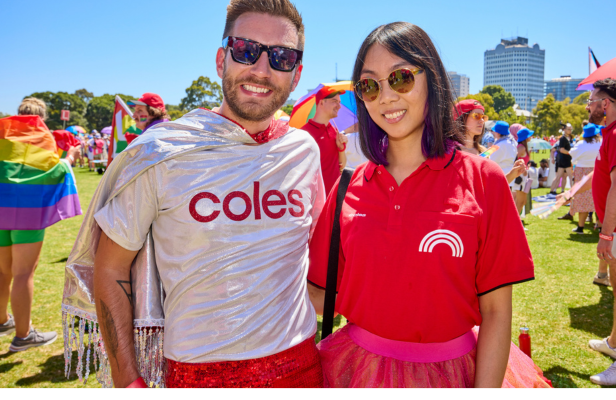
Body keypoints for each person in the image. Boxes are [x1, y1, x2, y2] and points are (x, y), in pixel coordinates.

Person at [62, 0, 325, 388]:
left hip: (302, 366)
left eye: (281, 57)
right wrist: (126, 380)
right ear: (222, 60)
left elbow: (313, 262)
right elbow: (111, 267)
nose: (261, 69)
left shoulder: (303, 150)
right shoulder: (162, 152)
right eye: (246, 51)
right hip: (197, 376)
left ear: (296, 73)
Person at [306, 22, 550, 388]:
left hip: (457, 373)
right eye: (369, 85)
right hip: (354, 372)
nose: (385, 96)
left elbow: (497, 312)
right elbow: (316, 295)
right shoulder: (347, 188)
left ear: (431, 79)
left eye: (400, 78)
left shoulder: (485, 180)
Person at [0, 98, 81, 351]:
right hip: (28, 213)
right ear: (42, 118)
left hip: (1, 207)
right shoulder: (40, 136)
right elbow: (54, 171)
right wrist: (69, 159)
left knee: (3, 271)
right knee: (24, 272)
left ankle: (2, 321)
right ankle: (24, 336)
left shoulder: (3, 133)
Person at [577, 79, 616, 385]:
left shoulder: (615, 134)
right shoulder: (609, 135)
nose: (588, 106)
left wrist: (606, 233)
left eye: (591, 100)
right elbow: (603, 174)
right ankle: (614, 343)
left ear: (606, 104)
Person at [301, 87, 349, 195]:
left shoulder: (334, 130)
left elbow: (341, 165)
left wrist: (341, 149)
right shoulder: (303, 134)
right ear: (322, 102)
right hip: (314, 200)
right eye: (334, 101)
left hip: (335, 196)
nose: (339, 106)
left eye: (339, 102)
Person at [569, 123, 601, 234]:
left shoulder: (581, 144)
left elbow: (572, 154)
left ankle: (581, 227)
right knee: (599, 199)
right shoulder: (600, 143)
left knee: (582, 198)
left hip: (582, 171)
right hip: (598, 171)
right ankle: (600, 226)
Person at [512, 128, 534, 215]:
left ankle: (516, 222)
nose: (531, 137)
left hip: (523, 175)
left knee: (522, 201)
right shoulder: (521, 147)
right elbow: (515, 159)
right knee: (520, 201)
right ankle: (515, 223)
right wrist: (522, 168)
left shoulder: (523, 147)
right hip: (520, 176)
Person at [550, 123, 574, 195]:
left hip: (565, 160)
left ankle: (554, 191)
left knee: (562, 176)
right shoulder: (563, 138)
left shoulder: (569, 138)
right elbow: (561, 150)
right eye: (568, 129)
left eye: (570, 129)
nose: (570, 131)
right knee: (570, 176)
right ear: (564, 130)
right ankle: (572, 191)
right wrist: (570, 153)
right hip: (564, 160)